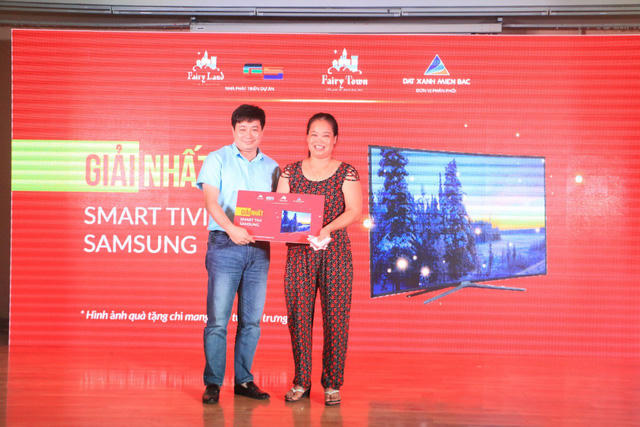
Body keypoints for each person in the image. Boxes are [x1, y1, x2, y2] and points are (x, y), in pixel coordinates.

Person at [277, 113, 362, 406]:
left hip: (335, 253)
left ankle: (332, 384)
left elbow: (354, 211)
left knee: (336, 319)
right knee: (298, 317)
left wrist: (326, 229)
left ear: (335, 139)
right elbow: (280, 210)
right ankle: (301, 381)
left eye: (326, 135)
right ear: (306, 137)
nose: (319, 140)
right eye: (314, 134)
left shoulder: (347, 172)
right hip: (299, 253)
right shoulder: (289, 172)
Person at [196, 104, 279, 404]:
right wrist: (232, 229)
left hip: (259, 248)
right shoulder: (216, 159)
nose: (248, 134)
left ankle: (244, 380)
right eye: (242, 128)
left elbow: (280, 209)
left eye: (254, 128)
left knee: (252, 321)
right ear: (233, 130)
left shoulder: (273, 167)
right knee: (218, 320)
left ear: (262, 131)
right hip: (225, 243)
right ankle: (213, 383)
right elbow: (211, 202)